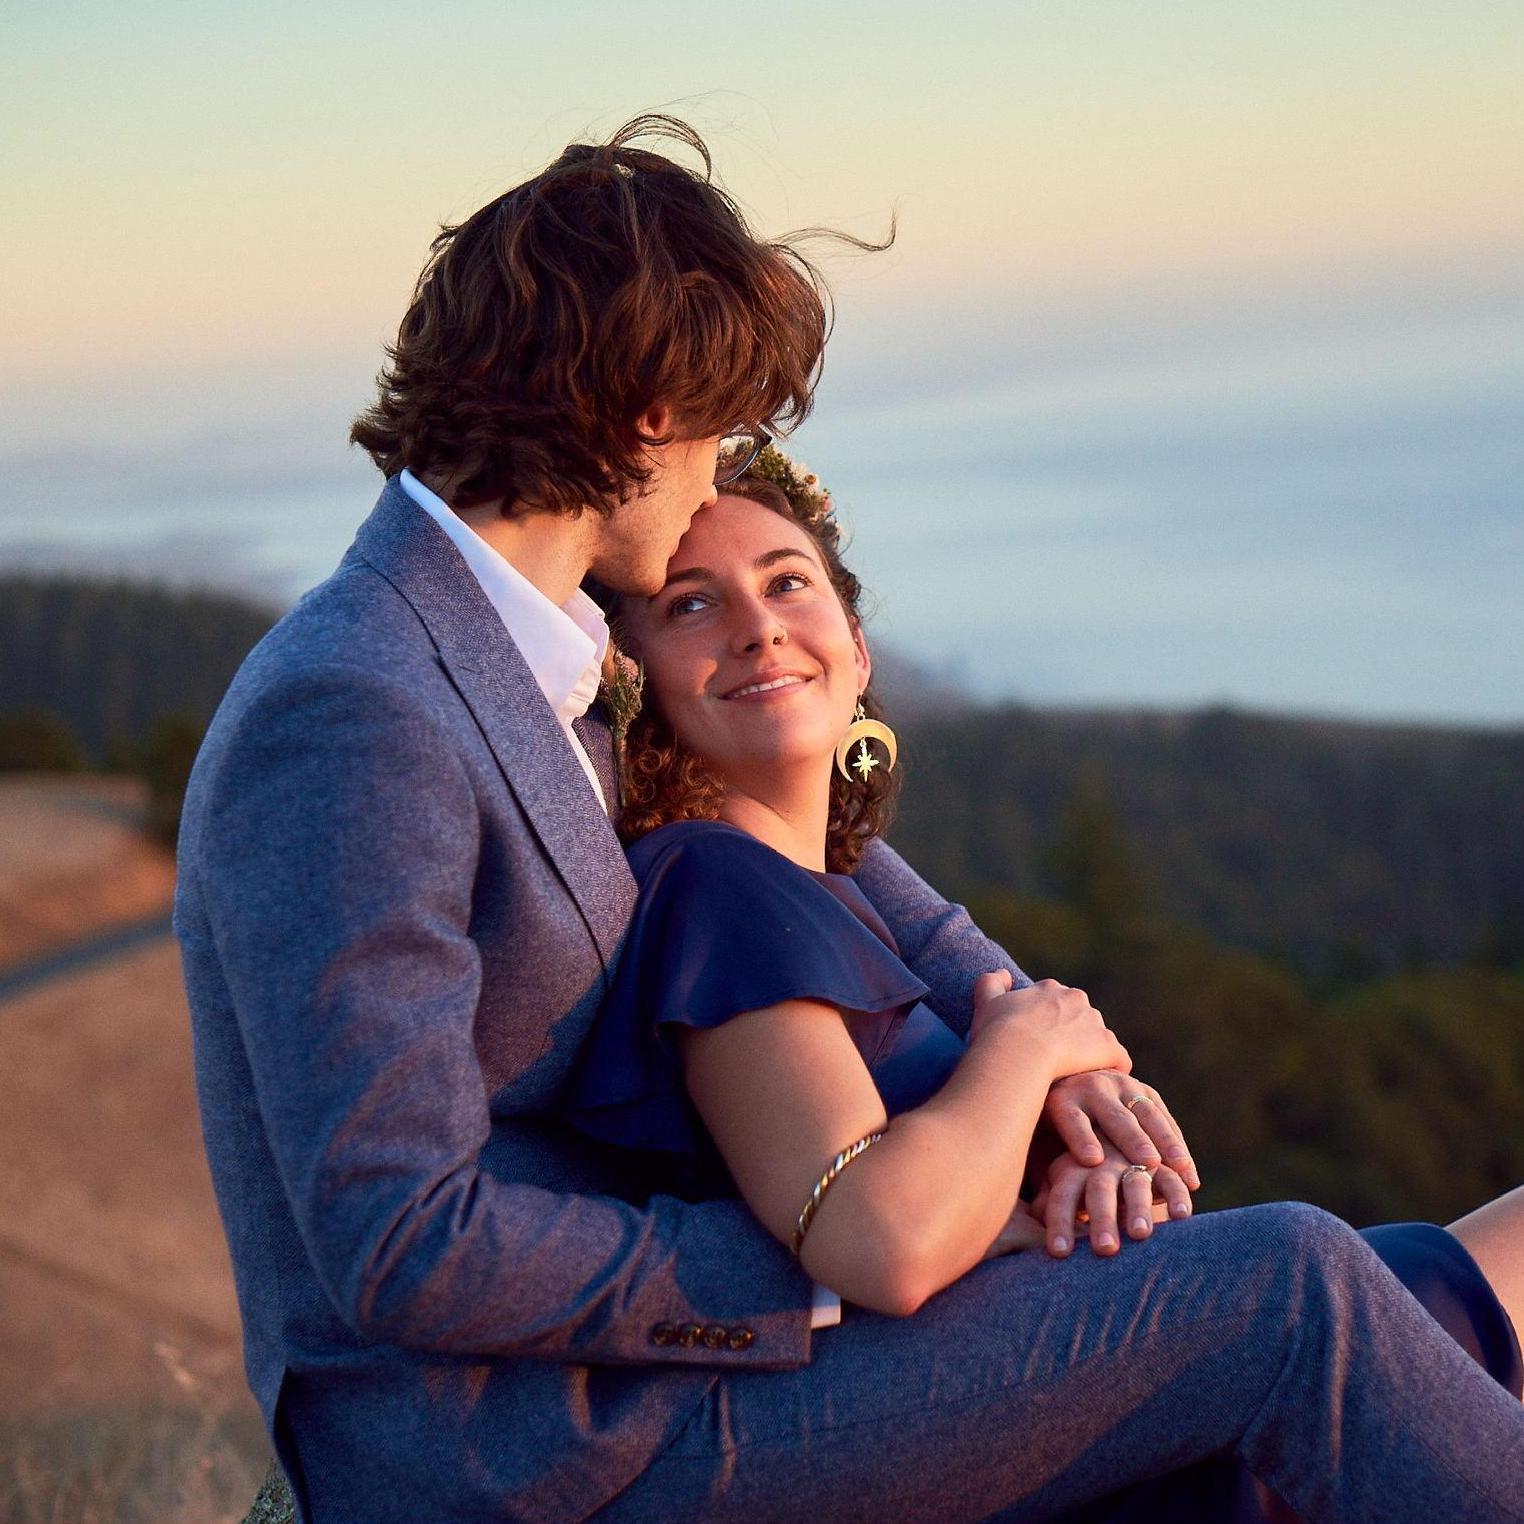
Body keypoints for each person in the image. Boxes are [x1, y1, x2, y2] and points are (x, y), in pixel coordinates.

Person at [176, 117, 1186, 1524]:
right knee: (1281, 1299)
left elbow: (840, 856)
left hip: (631, 1385)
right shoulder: (357, 704)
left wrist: (1043, 1044)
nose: (720, 477)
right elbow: (397, 1239)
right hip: (501, 1450)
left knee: (1267, 1306)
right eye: (716, 428)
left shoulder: (541, 646)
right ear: (646, 412)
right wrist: (814, 1267)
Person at [562, 454, 1524, 1522]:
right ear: (631, 677)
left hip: (1092, 1371)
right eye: (693, 604)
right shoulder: (712, 881)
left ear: (858, 646)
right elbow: (878, 1235)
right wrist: (1023, 1053)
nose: (759, 627)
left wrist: (1037, 1178)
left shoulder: (811, 884)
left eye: (789, 582)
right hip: (1028, 1438)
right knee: (1311, 1275)